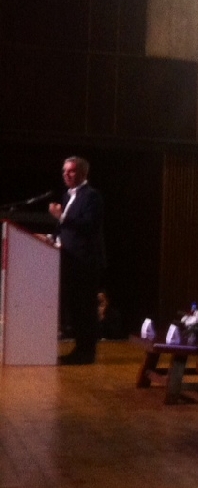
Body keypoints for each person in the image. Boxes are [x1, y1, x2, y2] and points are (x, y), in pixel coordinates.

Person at [50, 156, 105, 364]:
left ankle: (86, 352)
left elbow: (89, 225)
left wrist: (62, 217)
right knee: (75, 308)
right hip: (70, 261)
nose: (66, 174)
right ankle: (79, 349)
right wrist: (52, 238)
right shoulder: (67, 196)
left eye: (71, 171)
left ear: (83, 173)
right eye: (64, 171)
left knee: (85, 308)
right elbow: (66, 229)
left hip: (85, 262)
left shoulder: (92, 196)